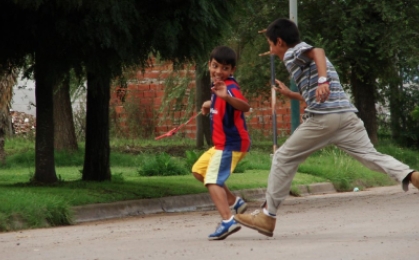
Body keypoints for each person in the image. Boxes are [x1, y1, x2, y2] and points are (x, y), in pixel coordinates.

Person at [234, 18, 419, 237]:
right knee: (371, 156)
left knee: (283, 157)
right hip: (346, 117)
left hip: (324, 119)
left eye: (270, 43)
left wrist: (322, 80)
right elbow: (312, 92)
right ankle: (412, 175)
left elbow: (318, 51)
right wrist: (292, 94)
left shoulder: (294, 52)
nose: (270, 49)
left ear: (280, 42)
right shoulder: (300, 59)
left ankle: (267, 215)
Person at [192, 46, 251, 240]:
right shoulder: (218, 88)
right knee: (199, 170)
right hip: (219, 145)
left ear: (232, 70)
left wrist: (225, 96)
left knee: (212, 180)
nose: (219, 71)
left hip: (230, 145)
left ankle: (228, 221)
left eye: (225, 68)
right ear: (209, 65)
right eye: (215, 66)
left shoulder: (230, 88)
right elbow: (221, 103)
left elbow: (245, 105)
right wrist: (210, 104)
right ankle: (234, 202)